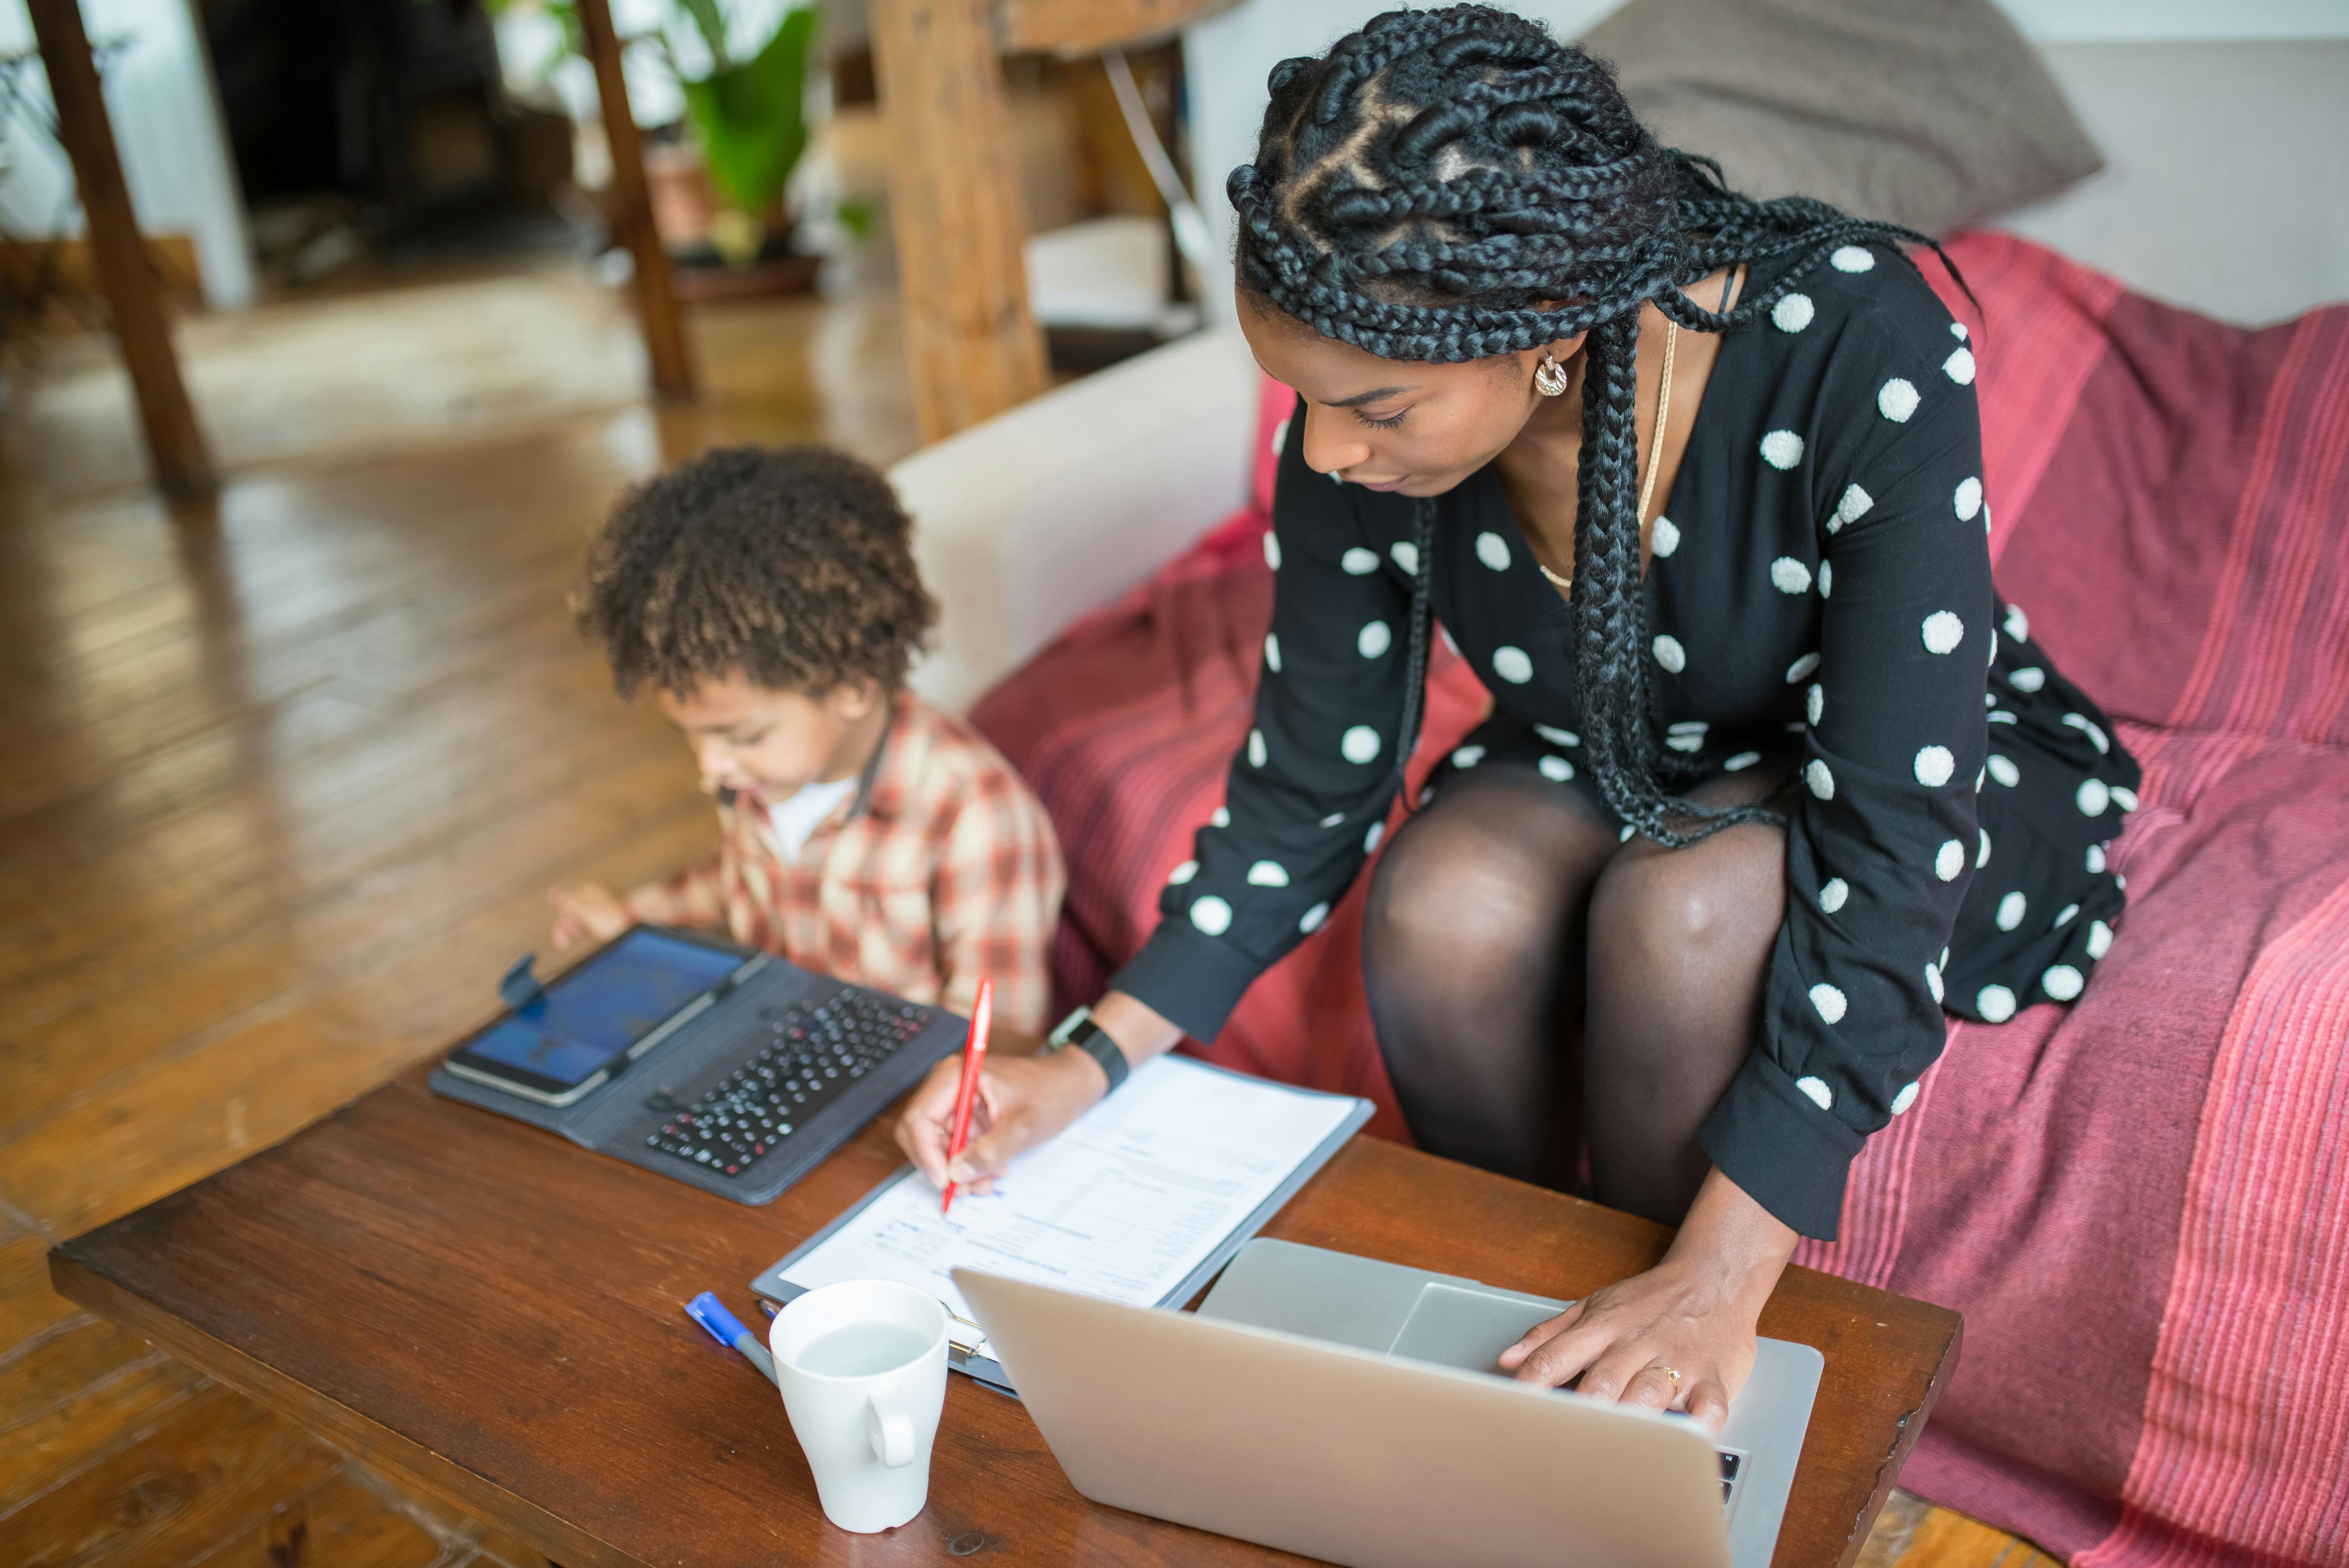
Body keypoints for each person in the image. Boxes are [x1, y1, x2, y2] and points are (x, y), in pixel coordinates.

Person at [896, 5, 2139, 1430]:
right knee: (1445, 903)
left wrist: (1723, 1271)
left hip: (1902, 777)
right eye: (1301, 404)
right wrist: (1086, 1058)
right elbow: (1311, 780)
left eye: (1376, 408)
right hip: (1607, 742)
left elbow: (1895, 828)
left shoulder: (1854, 337)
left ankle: (1670, 1378)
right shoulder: (1351, 394)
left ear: (1543, 334)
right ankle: (1523, 1332)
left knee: (1680, 918)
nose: (1323, 450)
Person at [551, 444, 1065, 1033]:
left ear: (851, 686)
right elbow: (740, 882)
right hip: (770, 1048)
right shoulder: (768, 773)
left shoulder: (976, 820)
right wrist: (633, 922)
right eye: (690, 737)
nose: (710, 768)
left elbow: (997, 1040)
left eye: (741, 735)